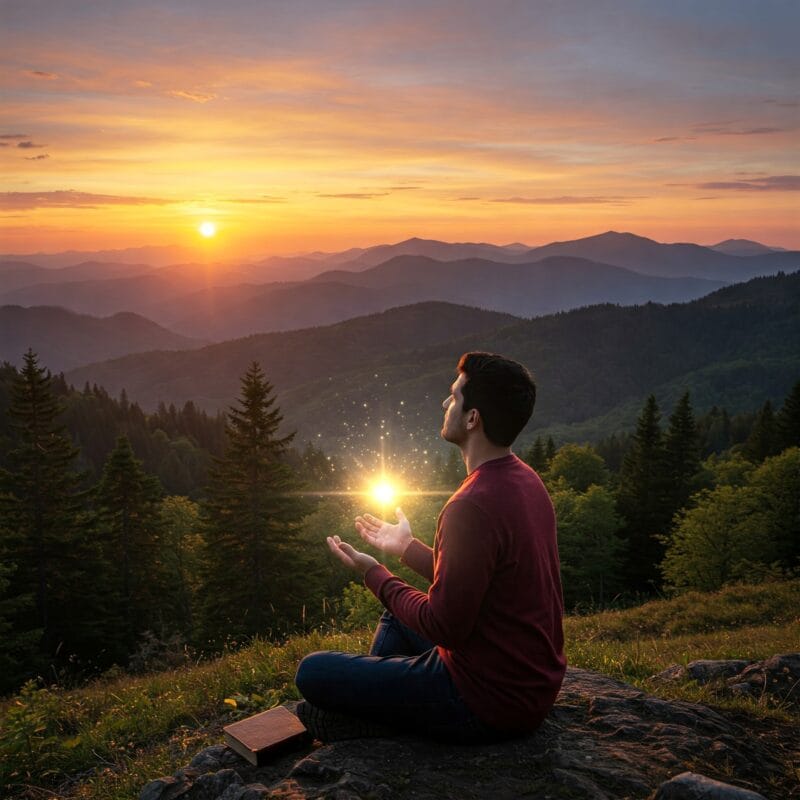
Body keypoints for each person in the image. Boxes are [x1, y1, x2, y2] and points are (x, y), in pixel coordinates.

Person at [295, 352, 565, 743]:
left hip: (485, 701)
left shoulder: (470, 505)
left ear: (473, 418)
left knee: (313, 672)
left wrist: (374, 573)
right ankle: (385, 707)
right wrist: (406, 547)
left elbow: (444, 627)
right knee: (397, 617)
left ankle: (376, 720)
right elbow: (477, 576)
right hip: (526, 684)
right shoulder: (525, 480)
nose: (444, 403)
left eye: (454, 396)